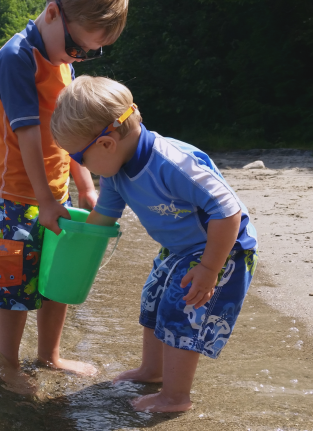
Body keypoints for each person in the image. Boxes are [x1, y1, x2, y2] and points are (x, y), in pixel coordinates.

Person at [50, 75, 259, 411]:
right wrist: (68, 245)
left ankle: (176, 397)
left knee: (182, 310)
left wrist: (209, 268)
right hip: (178, 249)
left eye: (79, 158)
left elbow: (228, 211)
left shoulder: (171, 163)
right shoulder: (117, 171)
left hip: (223, 248)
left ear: (106, 144)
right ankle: (153, 371)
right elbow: (103, 217)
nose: (80, 166)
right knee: (154, 299)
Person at [0, 0, 131, 392]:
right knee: (14, 289)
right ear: (54, 12)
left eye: (90, 54)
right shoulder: (17, 58)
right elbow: (27, 136)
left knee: (59, 278)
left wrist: (85, 184)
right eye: (79, 47)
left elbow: (70, 135)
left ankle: (50, 355)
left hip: (52, 194)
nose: (78, 57)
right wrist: (43, 200)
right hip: (12, 198)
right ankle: (7, 365)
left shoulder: (63, 64)